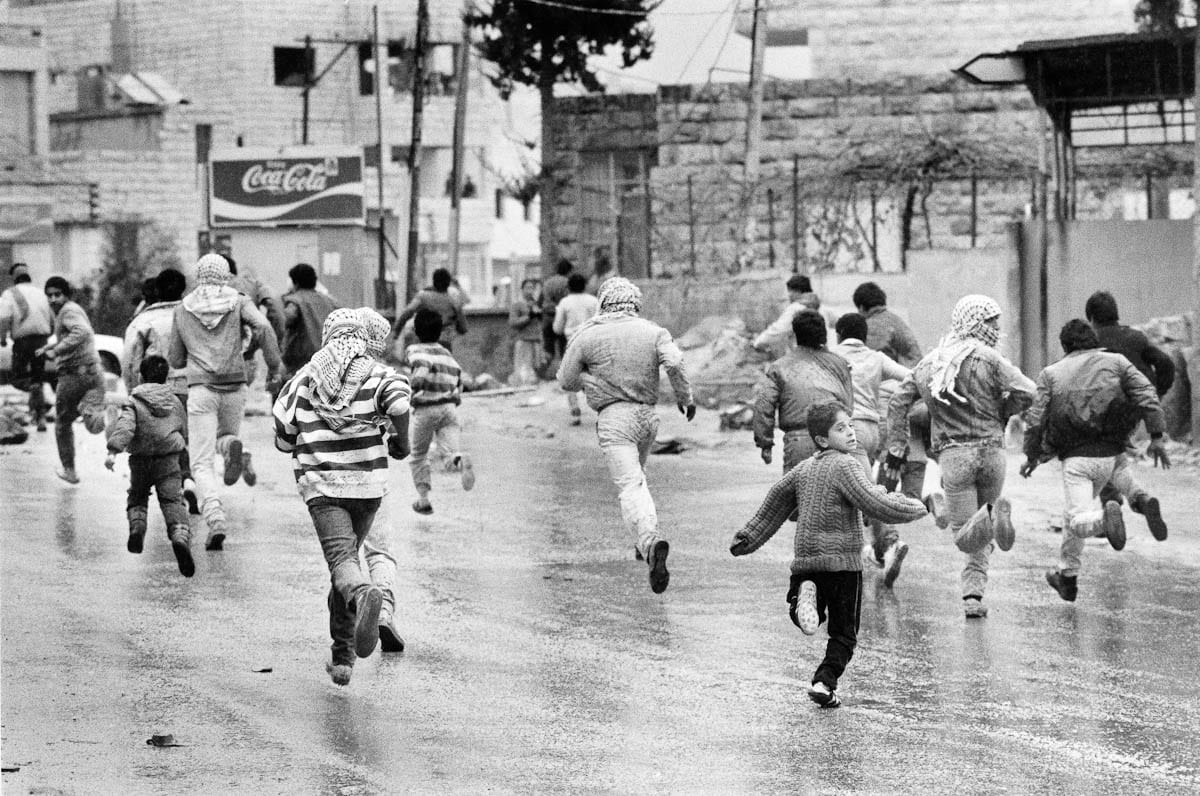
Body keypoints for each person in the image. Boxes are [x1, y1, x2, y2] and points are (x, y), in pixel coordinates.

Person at [730, 402, 927, 709]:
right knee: (844, 635)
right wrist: (912, 507)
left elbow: (776, 501)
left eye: (850, 425)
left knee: (809, 616)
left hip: (807, 562)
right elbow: (872, 501)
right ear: (822, 439)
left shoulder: (803, 469)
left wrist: (748, 537)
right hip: (842, 564)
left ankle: (803, 600)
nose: (850, 432)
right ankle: (824, 682)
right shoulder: (846, 465)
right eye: (840, 428)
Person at [272, 309, 412, 686]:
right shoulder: (377, 374)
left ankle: (365, 596)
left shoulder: (305, 378)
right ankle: (343, 658)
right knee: (345, 565)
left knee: (342, 563)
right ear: (362, 339)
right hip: (368, 489)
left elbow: (283, 436)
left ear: (327, 337)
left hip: (324, 489)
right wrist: (403, 442)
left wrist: (302, 435)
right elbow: (400, 404)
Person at [885, 295, 1034, 619]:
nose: (995, 328)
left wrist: (897, 447)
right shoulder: (991, 358)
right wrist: (1002, 412)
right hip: (992, 452)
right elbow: (1028, 391)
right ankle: (973, 595)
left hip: (954, 456)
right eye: (991, 322)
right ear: (976, 322)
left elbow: (897, 402)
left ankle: (986, 519)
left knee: (966, 537)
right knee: (979, 532)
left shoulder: (930, 363)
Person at [557, 277, 695, 593]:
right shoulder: (653, 331)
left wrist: (591, 382)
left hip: (614, 420)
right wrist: (685, 398)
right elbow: (675, 362)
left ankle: (649, 542)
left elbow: (566, 380)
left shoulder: (586, 335)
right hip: (647, 418)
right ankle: (641, 539)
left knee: (630, 485)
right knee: (638, 478)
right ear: (635, 302)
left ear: (604, 301)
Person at [1021, 320, 1170, 602]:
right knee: (1119, 471)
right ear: (1093, 340)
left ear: (1065, 346)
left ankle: (1103, 522)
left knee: (1077, 520)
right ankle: (1140, 499)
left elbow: (1036, 420)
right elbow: (1147, 394)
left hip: (1077, 460)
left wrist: (1032, 456)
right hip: (1112, 453)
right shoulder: (1118, 362)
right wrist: (1157, 436)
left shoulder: (1051, 374)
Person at [168, 253, 283, 551]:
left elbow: (176, 359)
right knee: (226, 436)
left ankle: (215, 517)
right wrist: (274, 365)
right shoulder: (240, 301)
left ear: (198, 276)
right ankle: (232, 446)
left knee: (201, 462)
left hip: (201, 389)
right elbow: (264, 327)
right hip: (234, 384)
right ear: (226, 276)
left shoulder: (183, 308)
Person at [832, 312, 915, 583]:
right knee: (854, 490)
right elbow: (911, 377)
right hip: (872, 430)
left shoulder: (831, 356)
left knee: (864, 492)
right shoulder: (877, 358)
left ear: (838, 335)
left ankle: (890, 543)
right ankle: (865, 549)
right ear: (865, 336)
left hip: (846, 431)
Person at [104, 355, 194, 577]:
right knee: (172, 500)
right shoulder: (175, 402)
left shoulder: (134, 402)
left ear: (141, 377)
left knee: (137, 496)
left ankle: (137, 528)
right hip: (169, 460)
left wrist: (113, 451)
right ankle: (180, 536)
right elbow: (183, 429)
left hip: (141, 461)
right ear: (166, 377)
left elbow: (125, 427)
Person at [123, 268, 198, 514]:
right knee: (188, 438)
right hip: (192, 385)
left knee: (167, 441)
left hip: (156, 389)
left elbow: (130, 361)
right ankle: (190, 480)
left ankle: (179, 486)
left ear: (156, 290)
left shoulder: (143, 321)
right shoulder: (194, 314)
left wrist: (134, 393)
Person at [359, 307, 408, 652]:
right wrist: (401, 443)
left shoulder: (324, 373)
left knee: (343, 556)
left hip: (329, 480)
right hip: (372, 477)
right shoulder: (381, 378)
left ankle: (352, 613)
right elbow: (398, 413)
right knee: (380, 550)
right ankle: (384, 609)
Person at [752, 310, 853, 474]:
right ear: (824, 334)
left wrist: (765, 444)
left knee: (798, 488)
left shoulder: (780, 367)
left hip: (799, 441)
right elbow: (848, 405)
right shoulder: (840, 364)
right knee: (834, 488)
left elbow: (764, 406)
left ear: (795, 335)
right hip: (835, 438)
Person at [405, 309, 475, 515]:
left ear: (416, 331)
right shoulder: (447, 354)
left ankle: (423, 499)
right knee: (449, 453)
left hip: (426, 409)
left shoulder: (415, 350)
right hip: (450, 409)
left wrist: (411, 389)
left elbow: (420, 374)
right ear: (440, 331)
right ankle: (460, 460)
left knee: (419, 456)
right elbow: (459, 381)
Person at [38, 276, 106, 484]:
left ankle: (70, 471)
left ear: (66, 295)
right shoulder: (73, 309)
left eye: (57, 294)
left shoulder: (67, 311)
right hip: (94, 372)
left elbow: (81, 331)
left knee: (62, 422)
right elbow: (77, 333)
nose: (53, 299)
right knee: (93, 421)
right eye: (49, 295)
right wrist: (51, 346)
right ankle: (102, 417)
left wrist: (56, 350)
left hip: (74, 375)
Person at [1084, 291, 1175, 397]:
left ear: (1092, 318)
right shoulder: (1137, 337)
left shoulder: (1090, 344)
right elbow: (1165, 362)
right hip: (1142, 400)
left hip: (1109, 403)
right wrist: (1157, 392)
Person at [0, 263, 54, 432]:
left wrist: (2, 338)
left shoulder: (10, 294)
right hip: (41, 341)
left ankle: (32, 390)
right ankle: (41, 419)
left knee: (17, 378)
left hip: (22, 342)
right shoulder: (41, 293)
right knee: (38, 378)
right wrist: (46, 337)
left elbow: (4, 318)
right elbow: (52, 320)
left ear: (14, 278)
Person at [552, 272, 600, 425]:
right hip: (591, 342)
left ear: (568, 287)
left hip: (572, 342)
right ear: (585, 285)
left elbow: (557, 328)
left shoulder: (565, 302)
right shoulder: (593, 301)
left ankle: (574, 410)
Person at [281, 263, 340, 383]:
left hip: (301, 365)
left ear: (295, 282)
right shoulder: (331, 302)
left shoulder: (294, 301)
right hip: (329, 362)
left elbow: (284, 321)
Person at [752, 274, 837, 357]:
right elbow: (839, 324)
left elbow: (778, 330)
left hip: (802, 358)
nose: (789, 295)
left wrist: (758, 342)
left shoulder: (795, 308)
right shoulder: (822, 308)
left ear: (798, 291)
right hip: (823, 356)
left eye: (790, 291)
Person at [392, 268, 468, 351]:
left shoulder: (423, 296)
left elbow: (408, 312)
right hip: (444, 341)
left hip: (424, 340)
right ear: (448, 283)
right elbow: (463, 326)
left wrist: (397, 330)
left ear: (434, 281)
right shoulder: (453, 299)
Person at [508, 278, 543, 386]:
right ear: (522, 289)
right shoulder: (517, 304)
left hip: (536, 339)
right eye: (527, 288)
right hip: (524, 340)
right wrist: (528, 317)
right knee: (523, 370)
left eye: (532, 288)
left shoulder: (536, 304)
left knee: (535, 369)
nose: (530, 290)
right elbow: (513, 322)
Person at [540, 258, 573, 366]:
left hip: (547, 318)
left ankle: (544, 368)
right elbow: (567, 300)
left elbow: (541, 300)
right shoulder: (567, 282)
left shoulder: (547, 282)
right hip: (561, 318)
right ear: (568, 270)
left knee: (548, 348)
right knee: (563, 348)